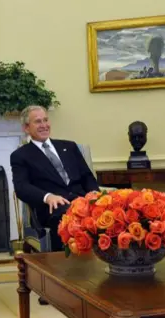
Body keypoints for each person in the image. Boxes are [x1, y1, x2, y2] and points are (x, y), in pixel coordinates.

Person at [10, 105, 100, 252]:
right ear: (26, 128)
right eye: (38, 121)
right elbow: (21, 187)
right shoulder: (21, 155)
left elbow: (87, 177)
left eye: (46, 120)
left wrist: (95, 195)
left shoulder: (69, 147)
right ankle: (63, 268)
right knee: (66, 216)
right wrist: (47, 196)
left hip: (82, 201)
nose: (44, 125)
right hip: (53, 208)